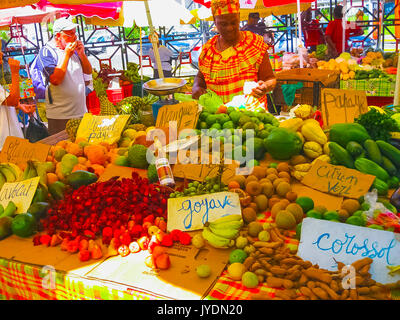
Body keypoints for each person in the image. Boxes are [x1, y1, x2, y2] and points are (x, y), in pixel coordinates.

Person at [192, 0, 276, 107]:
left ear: (239, 17)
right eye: (223, 24)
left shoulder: (254, 43)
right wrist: (196, 86)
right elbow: (200, 77)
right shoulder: (208, 49)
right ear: (214, 21)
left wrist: (265, 86)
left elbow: (270, 78)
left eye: (234, 22)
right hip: (219, 119)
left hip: (252, 119)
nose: (229, 28)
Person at [39, 17, 92, 135]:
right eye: (70, 34)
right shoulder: (47, 52)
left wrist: (82, 54)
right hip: (60, 116)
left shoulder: (74, 50)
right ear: (58, 36)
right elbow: (56, 79)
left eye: (75, 33)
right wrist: (67, 55)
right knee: (62, 149)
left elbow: (88, 72)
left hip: (81, 112)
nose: (75, 37)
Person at [0, 51, 34, 150]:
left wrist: (19, 106)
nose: (1, 53)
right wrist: (15, 72)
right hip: (5, 144)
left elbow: (6, 102)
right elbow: (13, 100)